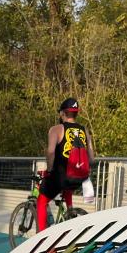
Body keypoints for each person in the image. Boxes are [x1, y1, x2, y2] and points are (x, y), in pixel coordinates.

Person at [37, 97, 95, 232]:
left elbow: (51, 152)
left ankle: (38, 241)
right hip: (80, 176)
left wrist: (49, 170)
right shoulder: (84, 130)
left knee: (41, 201)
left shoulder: (56, 129)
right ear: (76, 113)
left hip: (61, 176)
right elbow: (91, 158)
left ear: (62, 113)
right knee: (68, 185)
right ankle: (70, 212)